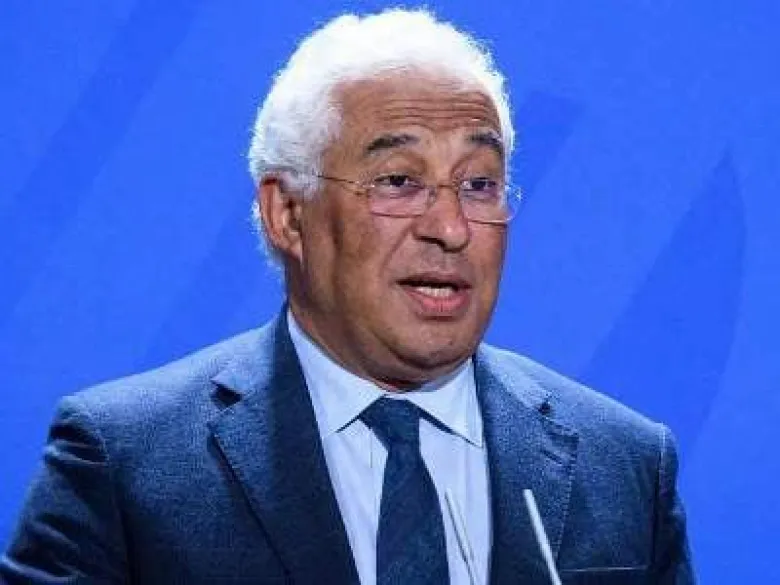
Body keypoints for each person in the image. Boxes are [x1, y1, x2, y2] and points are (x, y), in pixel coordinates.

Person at [0, 9, 694, 585]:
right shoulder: (123, 465)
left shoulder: (626, 465)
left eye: (478, 184)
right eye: (398, 181)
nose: (451, 228)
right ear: (287, 214)